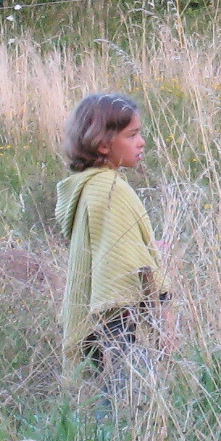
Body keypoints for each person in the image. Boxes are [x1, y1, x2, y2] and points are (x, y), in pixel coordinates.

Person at [55, 93, 169, 394]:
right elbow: (126, 264)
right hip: (118, 319)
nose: (141, 142)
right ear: (103, 144)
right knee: (126, 398)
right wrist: (164, 314)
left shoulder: (89, 185)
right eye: (132, 135)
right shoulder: (109, 189)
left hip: (96, 318)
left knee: (107, 399)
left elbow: (111, 245)